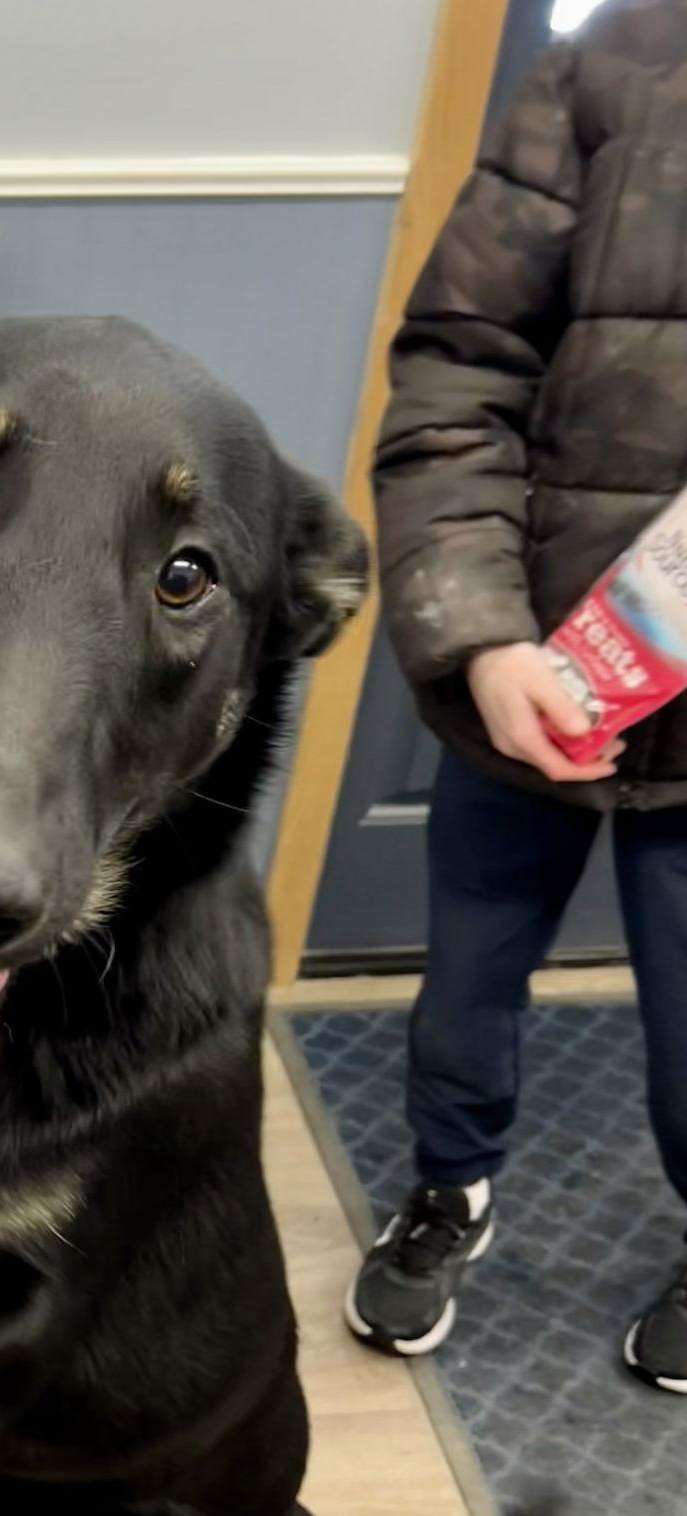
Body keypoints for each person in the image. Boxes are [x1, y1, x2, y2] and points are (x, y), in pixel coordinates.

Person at [346, 0, 687, 1392]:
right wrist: (478, 640)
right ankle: (448, 1186)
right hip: (537, 677)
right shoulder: (601, 70)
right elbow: (455, 379)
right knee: (469, 977)